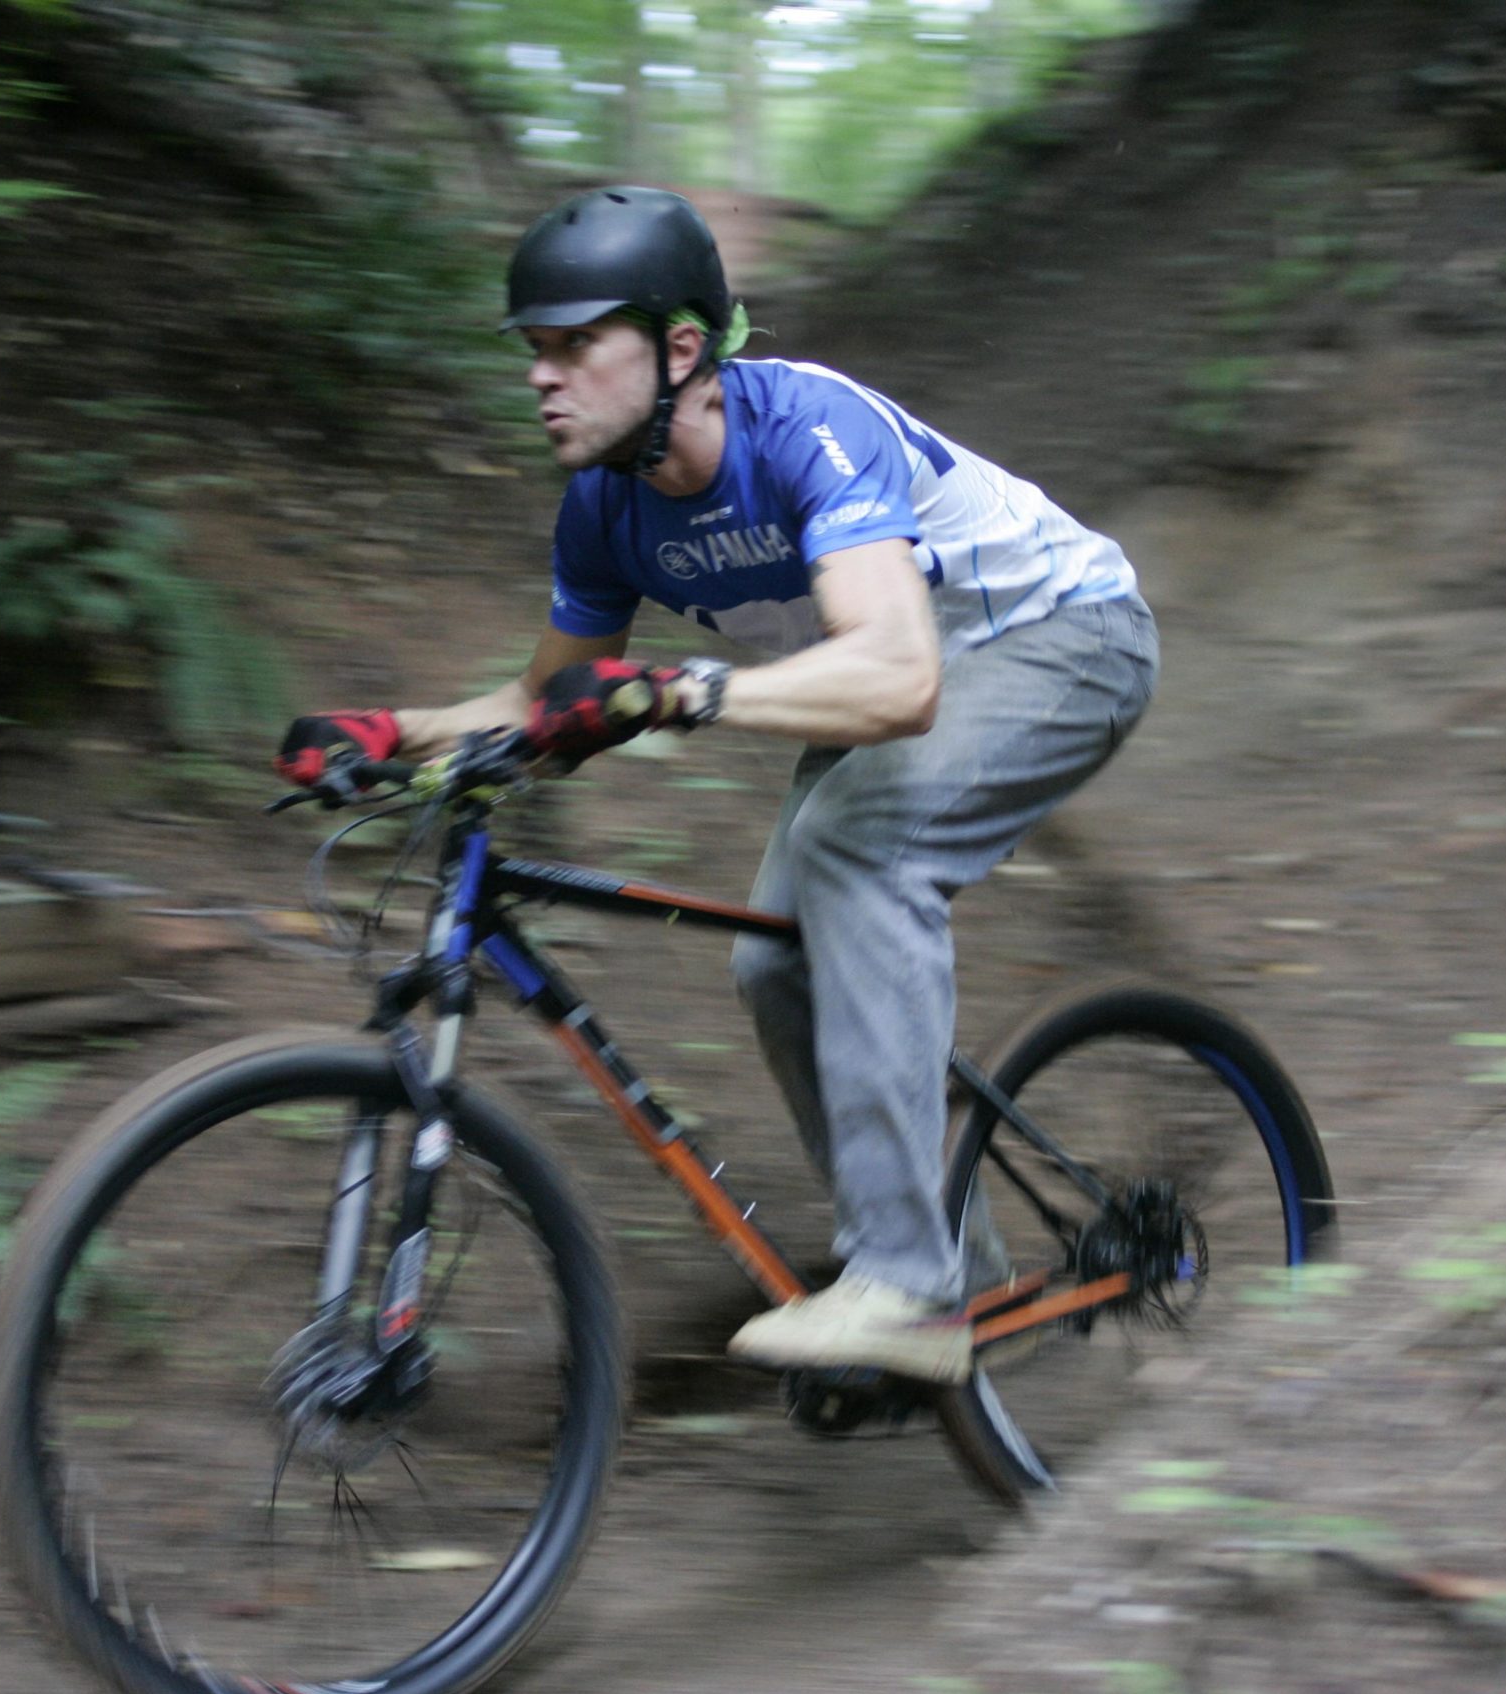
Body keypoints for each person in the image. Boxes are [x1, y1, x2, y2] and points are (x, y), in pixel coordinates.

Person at [276, 186, 1158, 1384]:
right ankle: (949, 1279)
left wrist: (681, 689)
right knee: (772, 958)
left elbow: (898, 677)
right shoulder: (603, 507)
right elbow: (551, 706)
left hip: (1063, 638)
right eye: (535, 351)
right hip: (895, 676)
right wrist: (395, 733)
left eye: (578, 345)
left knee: (859, 850)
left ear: (681, 347)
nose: (544, 377)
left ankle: (907, 1285)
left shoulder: (806, 429)